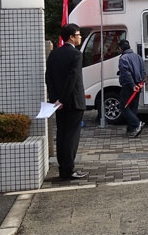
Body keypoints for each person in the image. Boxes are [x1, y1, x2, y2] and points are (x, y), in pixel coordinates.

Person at [45, 23, 88, 180]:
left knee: (62, 134)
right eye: (78, 35)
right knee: (71, 136)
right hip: (73, 102)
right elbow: (72, 78)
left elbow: (48, 78)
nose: (80, 37)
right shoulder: (76, 54)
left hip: (58, 104)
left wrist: (55, 99)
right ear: (71, 37)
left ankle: (63, 168)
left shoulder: (54, 54)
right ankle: (69, 170)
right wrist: (63, 99)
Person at [117, 39, 147, 138]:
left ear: (120, 49)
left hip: (129, 86)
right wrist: (141, 83)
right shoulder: (138, 57)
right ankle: (131, 129)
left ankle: (137, 123)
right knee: (133, 108)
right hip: (138, 85)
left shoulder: (123, 58)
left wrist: (133, 85)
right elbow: (143, 72)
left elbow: (126, 73)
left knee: (123, 107)